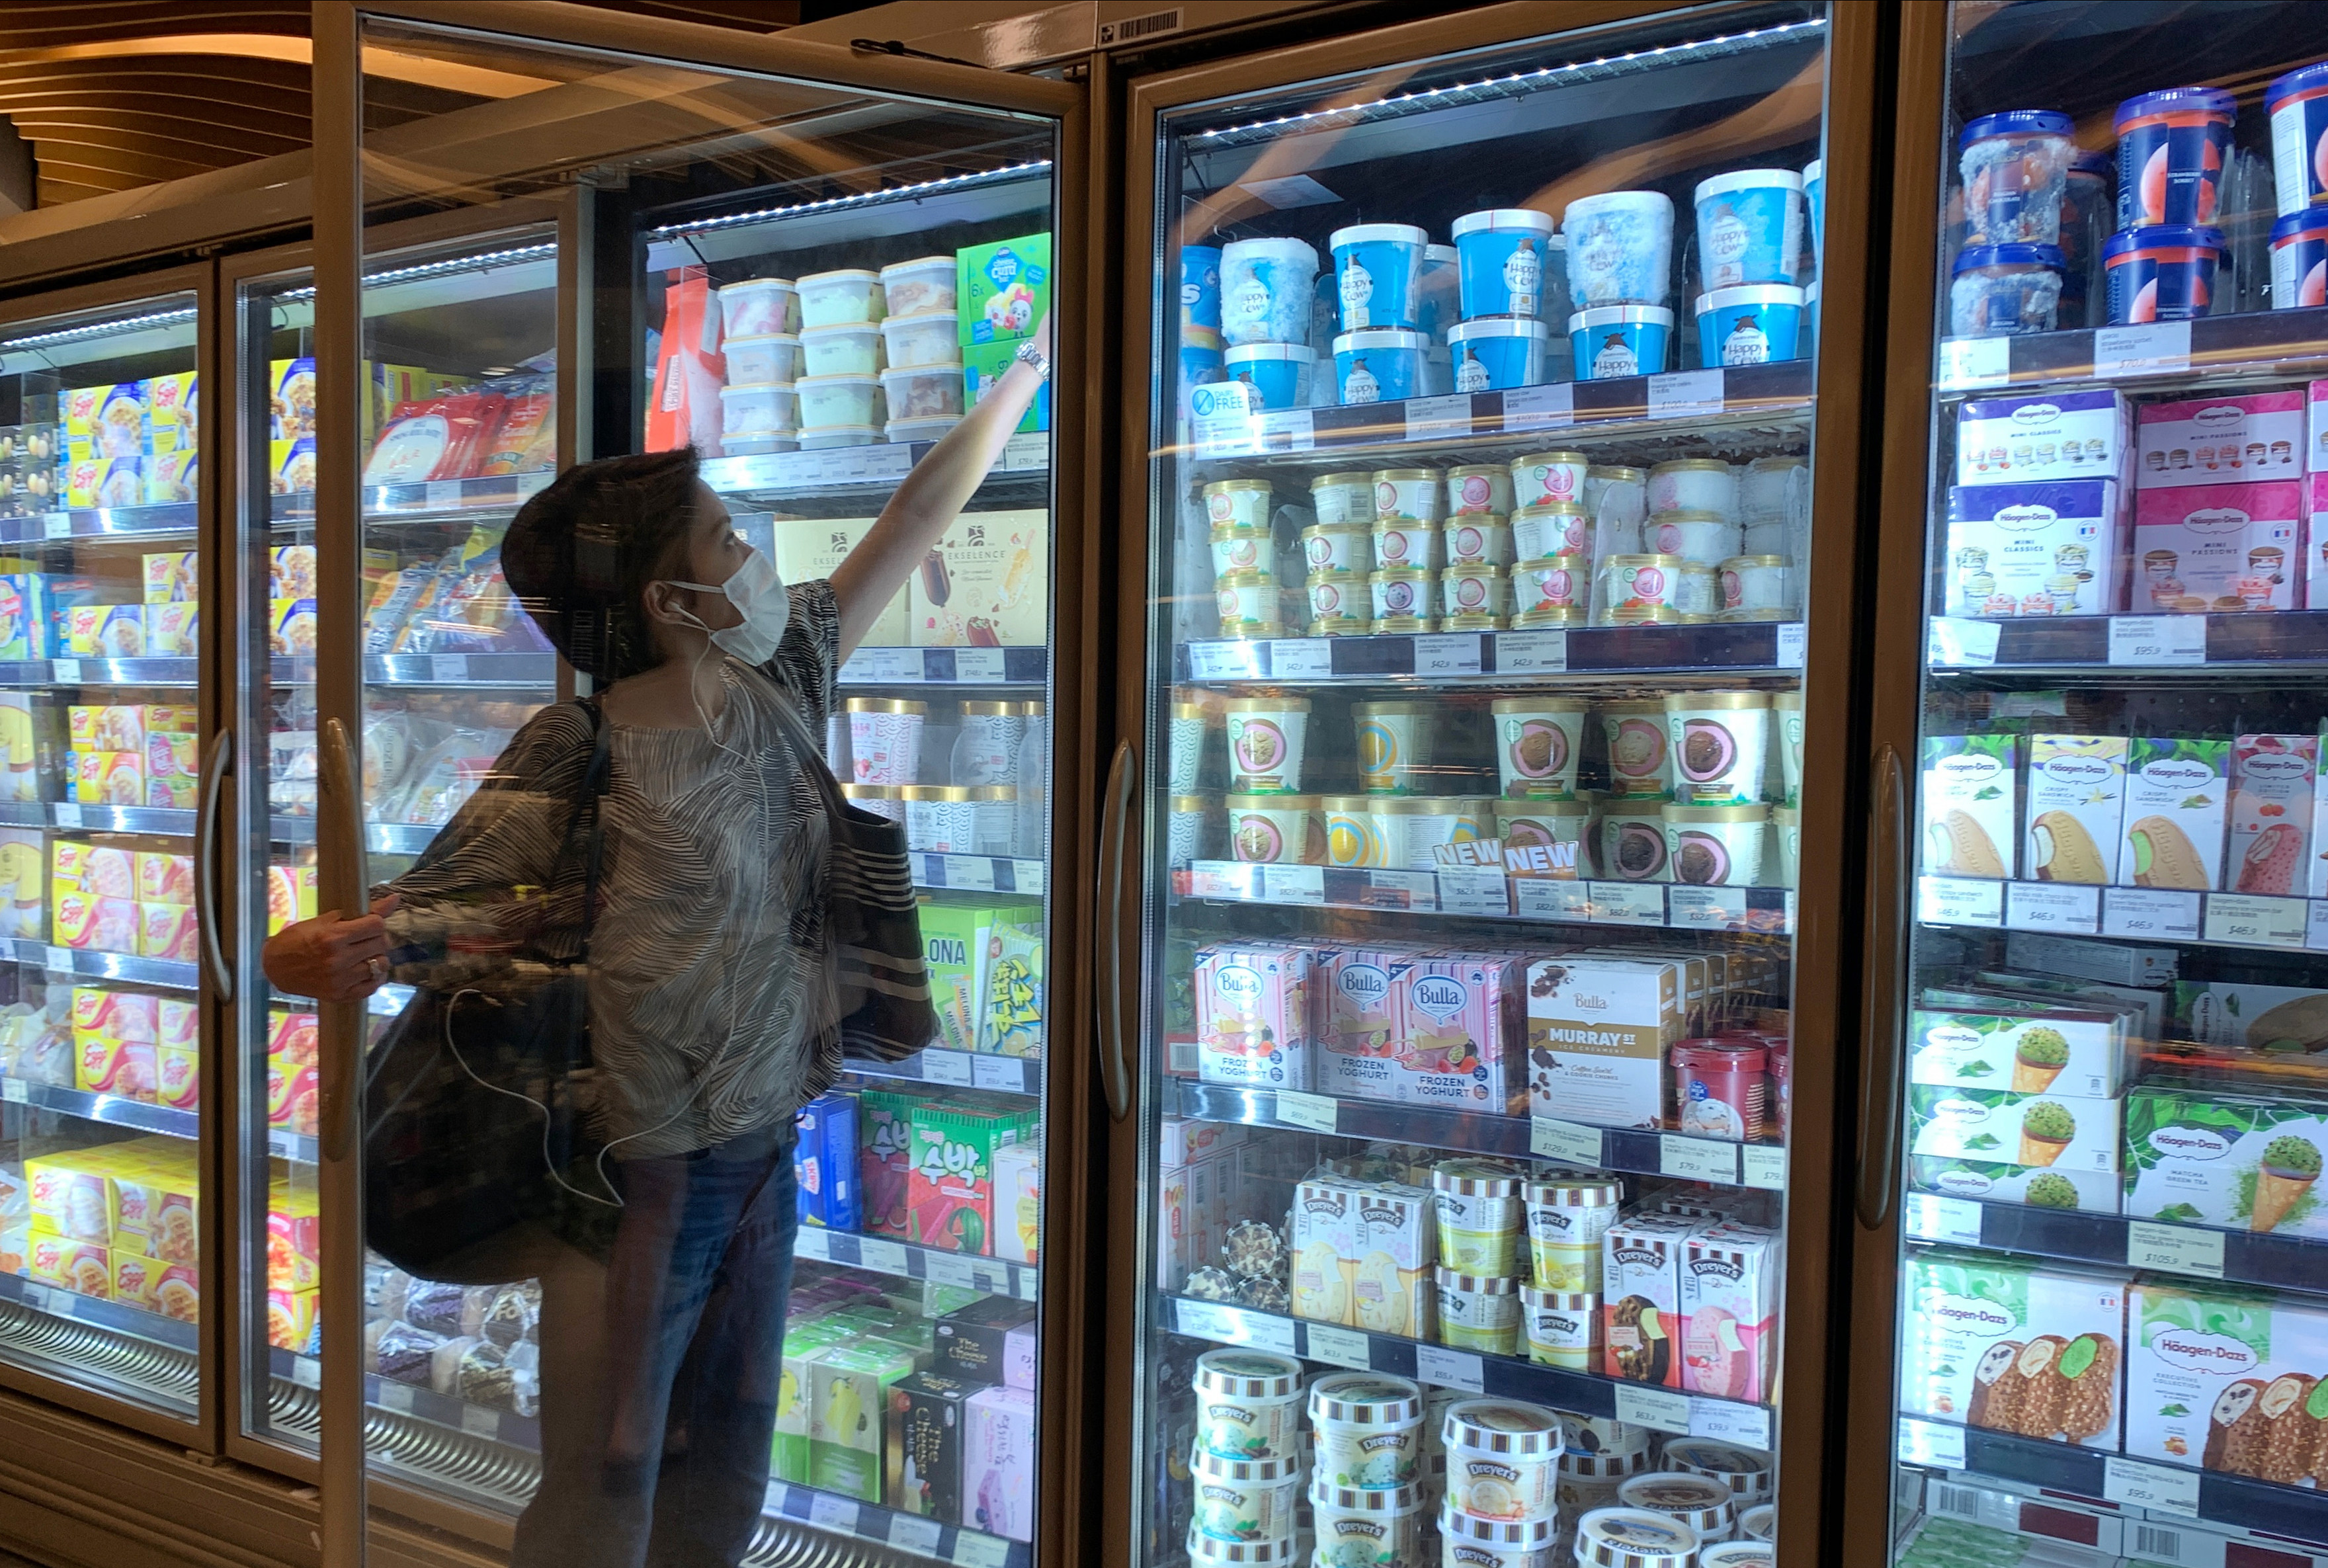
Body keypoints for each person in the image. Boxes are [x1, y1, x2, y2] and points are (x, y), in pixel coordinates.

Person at [262, 319, 1053, 1567]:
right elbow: (430, 911)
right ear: (668, 600)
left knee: (731, 1431)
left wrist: (1027, 372)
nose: (756, 557)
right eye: (729, 540)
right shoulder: (576, 748)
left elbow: (911, 520)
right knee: (614, 1455)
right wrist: (325, 952)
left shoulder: (781, 672)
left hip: (758, 1143)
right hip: (622, 1172)